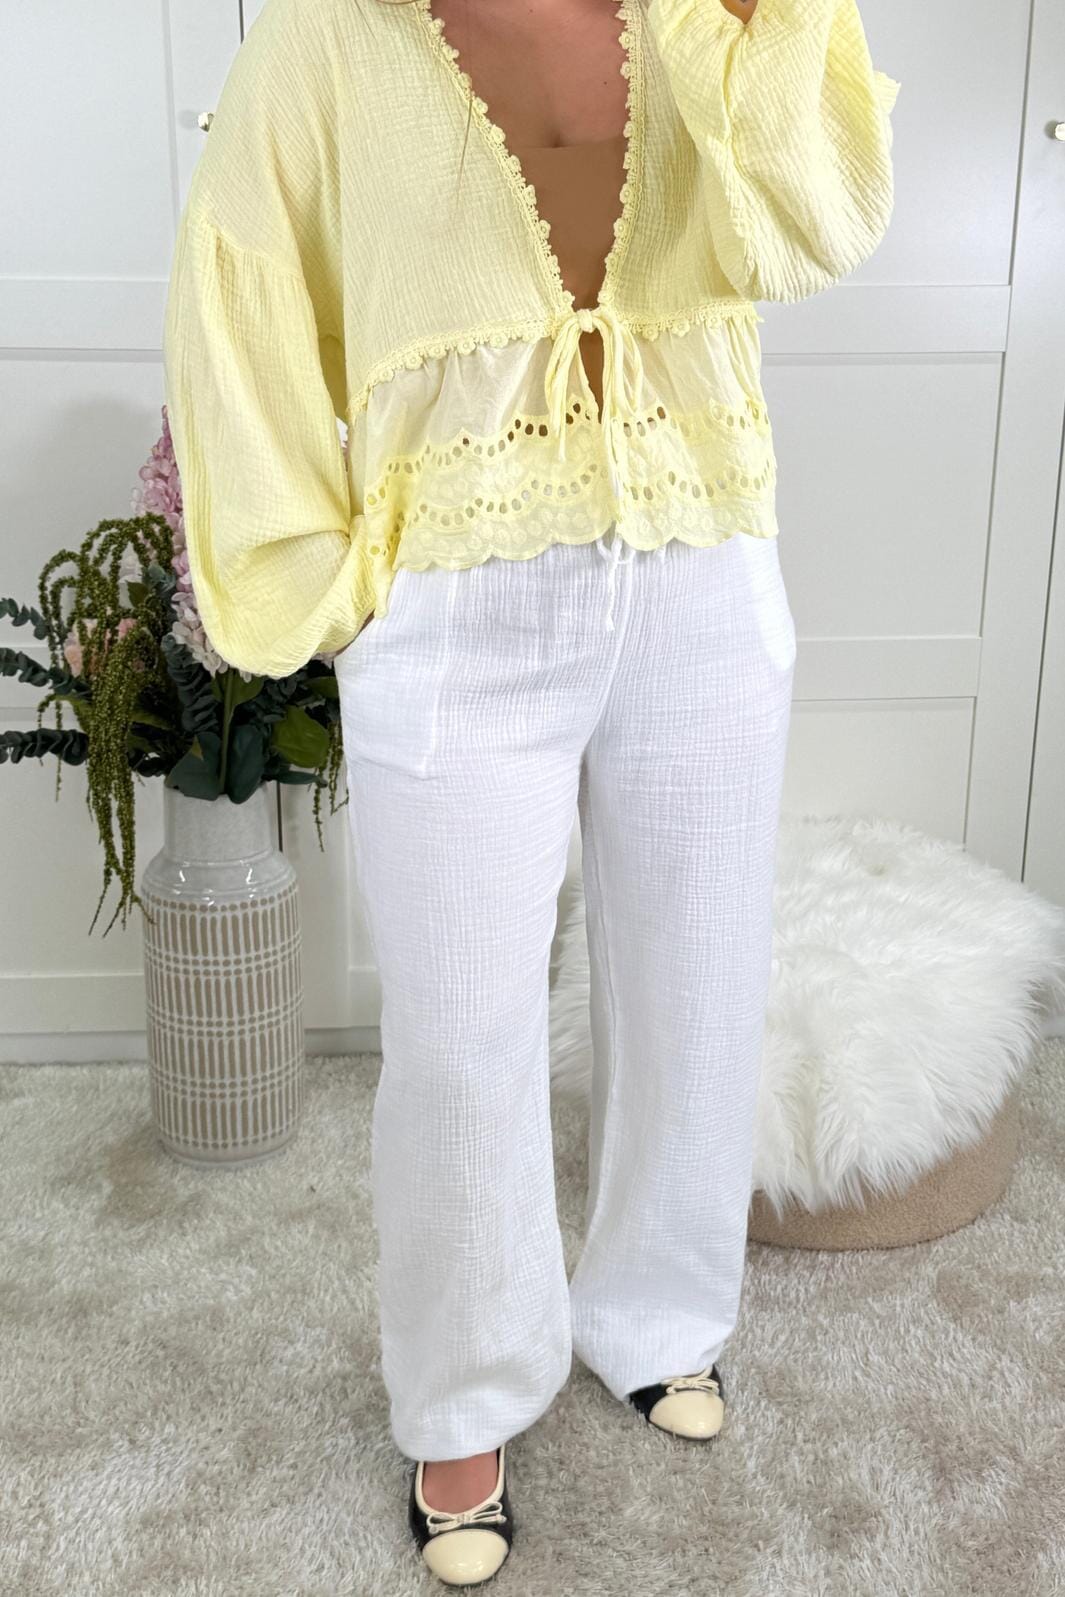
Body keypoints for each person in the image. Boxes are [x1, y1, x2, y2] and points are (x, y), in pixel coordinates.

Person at [162, 0, 900, 1582]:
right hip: (457, 596)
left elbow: (816, 224)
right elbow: (239, 294)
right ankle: (463, 1388)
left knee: (694, 975)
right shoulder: (325, 41)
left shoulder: (708, 18)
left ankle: (657, 1312)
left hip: (701, 556)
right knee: (458, 1033)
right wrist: (327, 585)